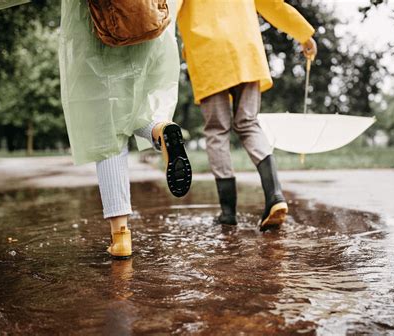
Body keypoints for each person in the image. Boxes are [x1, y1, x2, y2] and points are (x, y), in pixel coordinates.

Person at [60, 0, 192, 259]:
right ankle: (159, 129)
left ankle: (121, 237)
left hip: (96, 29)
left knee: (107, 129)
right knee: (141, 107)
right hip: (151, 26)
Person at [176, 0, 317, 231]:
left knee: (217, 130)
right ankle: (275, 195)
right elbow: (273, 4)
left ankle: (228, 213)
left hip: (207, 53)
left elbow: (165, 10)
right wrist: (303, 34)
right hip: (246, 51)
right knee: (249, 124)